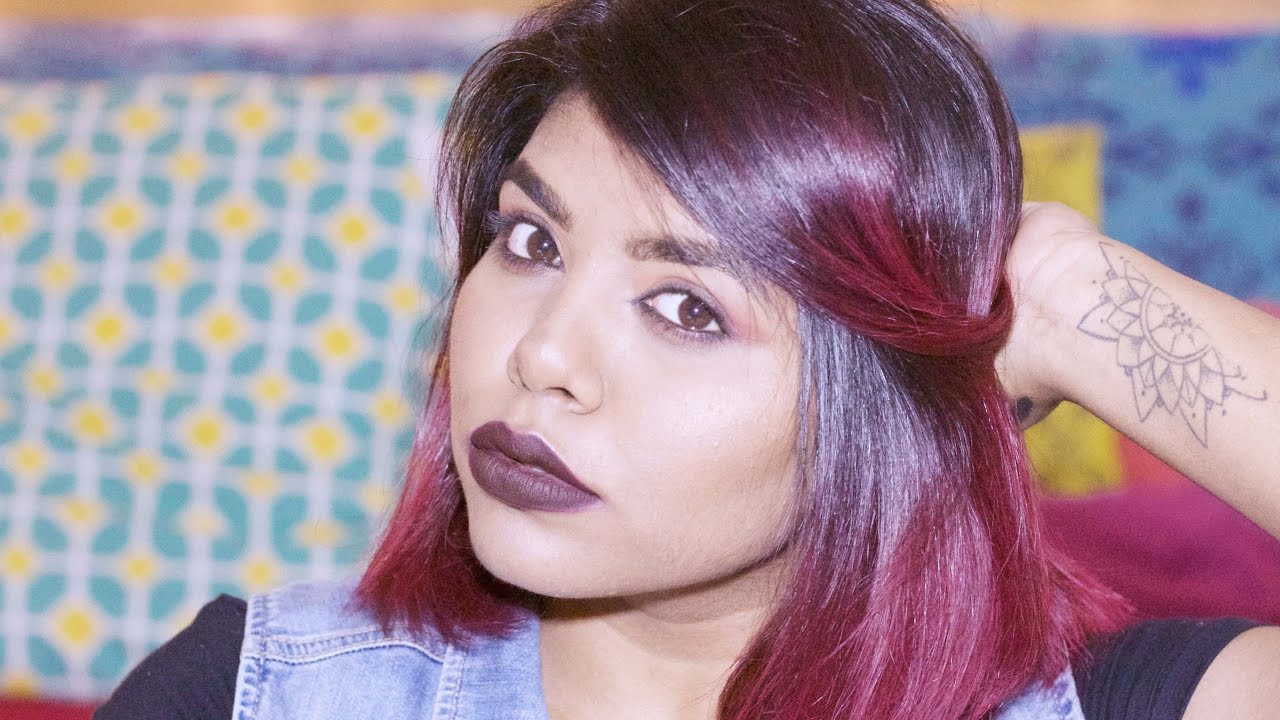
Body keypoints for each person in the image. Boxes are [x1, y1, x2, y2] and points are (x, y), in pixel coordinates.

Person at [94, 0, 1280, 718]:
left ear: (873, 405)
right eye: (530, 241)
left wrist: (1067, 298)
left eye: (685, 308)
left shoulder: (1110, 703)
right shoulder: (258, 690)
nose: (542, 353)